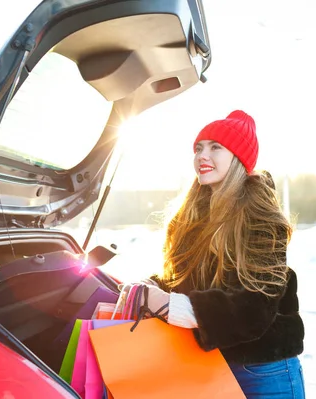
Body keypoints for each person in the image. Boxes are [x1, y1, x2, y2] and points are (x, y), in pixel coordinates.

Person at [122, 110, 306, 398]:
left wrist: (168, 305)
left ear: (238, 158)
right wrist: (152, 287)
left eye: (215, 147)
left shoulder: (261, 219)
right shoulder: (191, 216)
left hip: (263, 370)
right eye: (198, 148)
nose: (201, 156)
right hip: (207, 362)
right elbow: (186, 279)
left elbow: (253, 310)